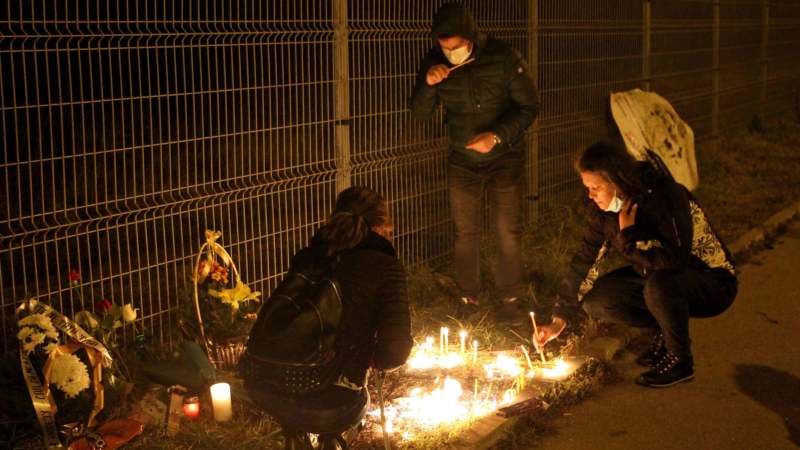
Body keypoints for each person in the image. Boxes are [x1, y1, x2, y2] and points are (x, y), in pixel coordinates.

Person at [533, 142, 737, 388]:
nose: (590, 195)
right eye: (587, 188)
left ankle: (680, 360)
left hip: (710, 280)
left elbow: (674, 259)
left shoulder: (665, 196)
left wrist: (629, 236)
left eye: (596, 187)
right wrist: (559, 319)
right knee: (597, 300)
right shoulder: (607, 211)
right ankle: (665, 331)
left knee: (659, 285)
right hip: (658, 277)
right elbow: (584, 260)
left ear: (616, 181)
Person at [242, 186, 413, 449]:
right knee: (352, 393)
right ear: (381, 226)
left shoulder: (307, 256)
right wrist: (369, 357)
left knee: (298, 392)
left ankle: (295, 436)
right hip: (331, 395)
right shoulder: (385, 267)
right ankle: (330, 439)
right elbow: (394, 352)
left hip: (264, 382)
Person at [409, 2, 539, 314]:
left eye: (456, 47)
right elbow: (420, 112)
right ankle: (469, 297)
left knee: (507, 230)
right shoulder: (434, 62)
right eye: (445, 48)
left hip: (504, 156)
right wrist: (428, 85)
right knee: (465, 232)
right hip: (462, 160)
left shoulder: (503, 57)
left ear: (469, 38)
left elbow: (529, 107)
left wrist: (496, 136)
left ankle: (511, 298)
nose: (450, 53)